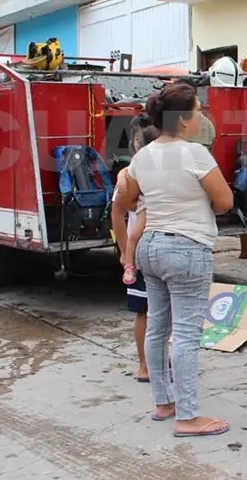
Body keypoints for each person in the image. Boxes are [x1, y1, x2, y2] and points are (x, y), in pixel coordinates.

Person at [113, 83, 235, 437]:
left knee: (157, 326)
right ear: (182, 120)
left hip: (149, 246)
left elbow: (130, 199)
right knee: (184, 333)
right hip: (186, 247)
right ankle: (188, 416)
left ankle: (163, 402)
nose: (201, 117)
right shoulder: (195, 154)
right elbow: (225, 201)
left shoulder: (144, 155)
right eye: (197, 111)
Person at [111, 117, 160, 383]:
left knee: (164, 311)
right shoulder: (129, 175)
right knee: (144, 310)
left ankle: (160, 360)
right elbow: (117, 213)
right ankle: (144, 364)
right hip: (141, 251)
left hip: (161, 247)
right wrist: (124, 252)